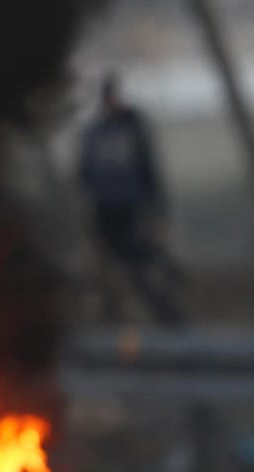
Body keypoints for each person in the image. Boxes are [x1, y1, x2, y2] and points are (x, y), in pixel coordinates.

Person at [77, 72, 184, 325]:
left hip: (130, 208)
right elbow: (85, 174)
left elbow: (148, 172)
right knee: (119, 265)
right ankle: (118, 315)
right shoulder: (98, 132)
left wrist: (156, 211)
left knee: (136, 263)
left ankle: (165, 310)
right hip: (106, 209)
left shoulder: (130, 129)